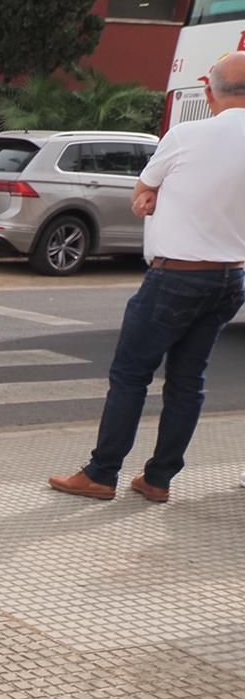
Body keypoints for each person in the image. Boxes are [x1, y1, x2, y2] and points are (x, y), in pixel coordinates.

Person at [49, 52, 245, 502]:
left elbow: (142, 192)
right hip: (231, 278)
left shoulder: (187, 135)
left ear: (209, 91)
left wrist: (151, 197)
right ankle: (159, 479)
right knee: (188, 381)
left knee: (131, 375)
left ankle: (102, 473)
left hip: (176, 275)